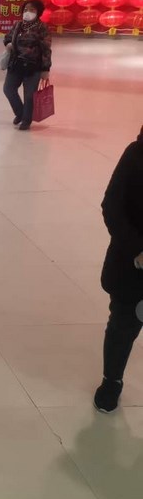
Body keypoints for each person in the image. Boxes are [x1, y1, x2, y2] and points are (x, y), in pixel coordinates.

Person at [94, 125, 143, 413]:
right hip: (132, 266)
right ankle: (112, 380)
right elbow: (111, 206)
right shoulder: (136, 154)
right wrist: (138, 248)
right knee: (123, 326)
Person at [2, 0, 51, 131]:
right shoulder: (18, 25)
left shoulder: (42, 27)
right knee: (8, 89)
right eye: (25, 10)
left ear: (38, 12)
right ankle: (20, 113)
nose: (28, 12)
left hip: (33, 66)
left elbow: (46, 49)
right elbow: (7, 37)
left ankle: (26, 120)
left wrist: (46, 69)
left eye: (32, 10)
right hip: (16, 63)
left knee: (29, 95)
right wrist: (8, 44)